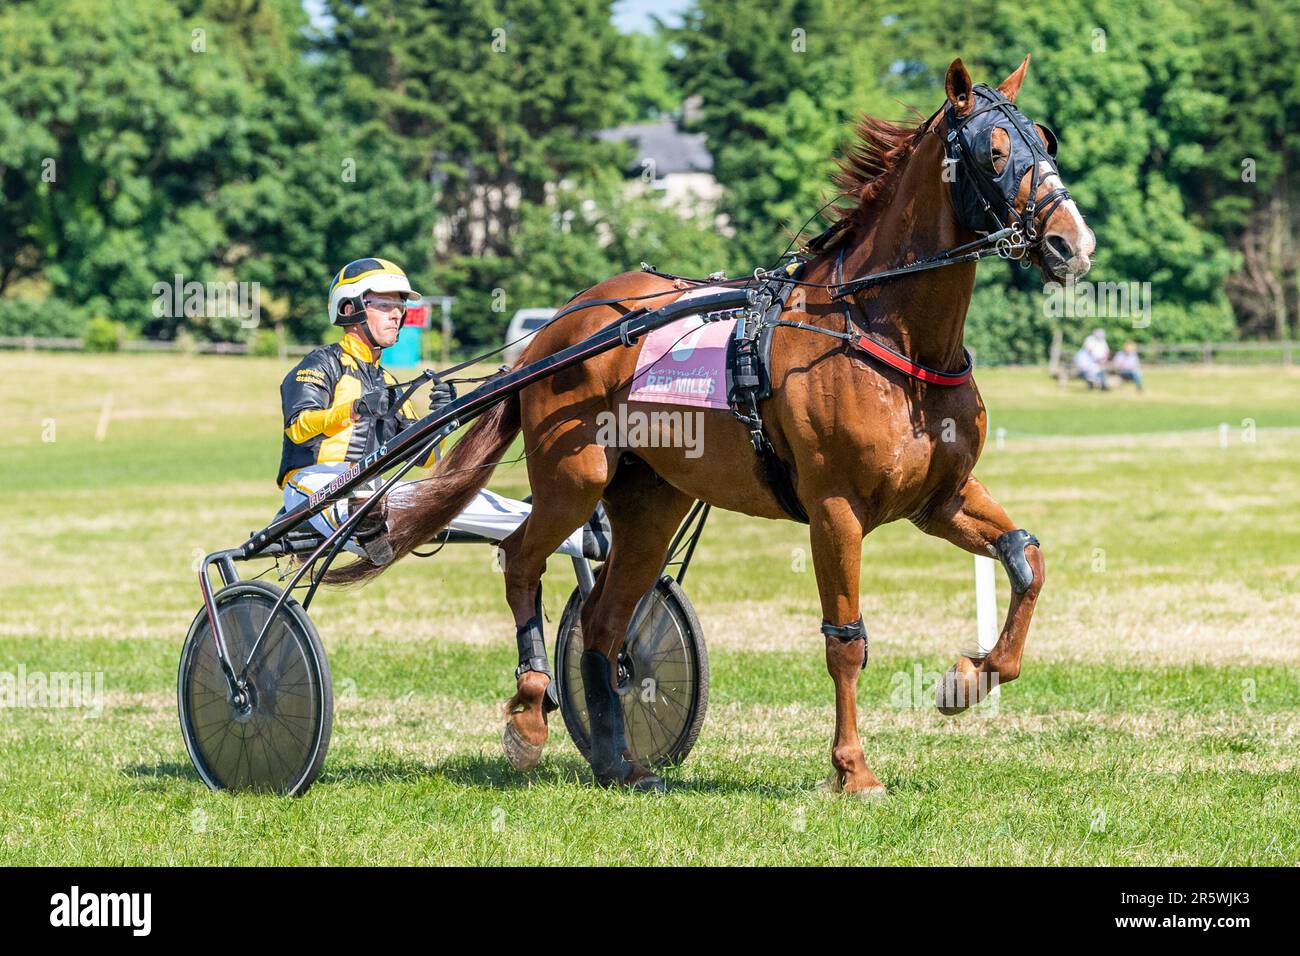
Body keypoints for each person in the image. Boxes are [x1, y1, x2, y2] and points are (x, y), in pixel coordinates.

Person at [278, 257, 606, 565]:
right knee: (361, 495)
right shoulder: (322, 364)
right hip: (315, 482)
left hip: (374, 490)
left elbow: (427, 458)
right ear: (349, 309)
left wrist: (441, 420)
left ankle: (579, 533)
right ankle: (370, 529)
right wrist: (353, 410)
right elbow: (298, 426)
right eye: (384, 305)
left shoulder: (387, 382)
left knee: (453, 494)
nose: (397, 314)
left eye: (400, 306)